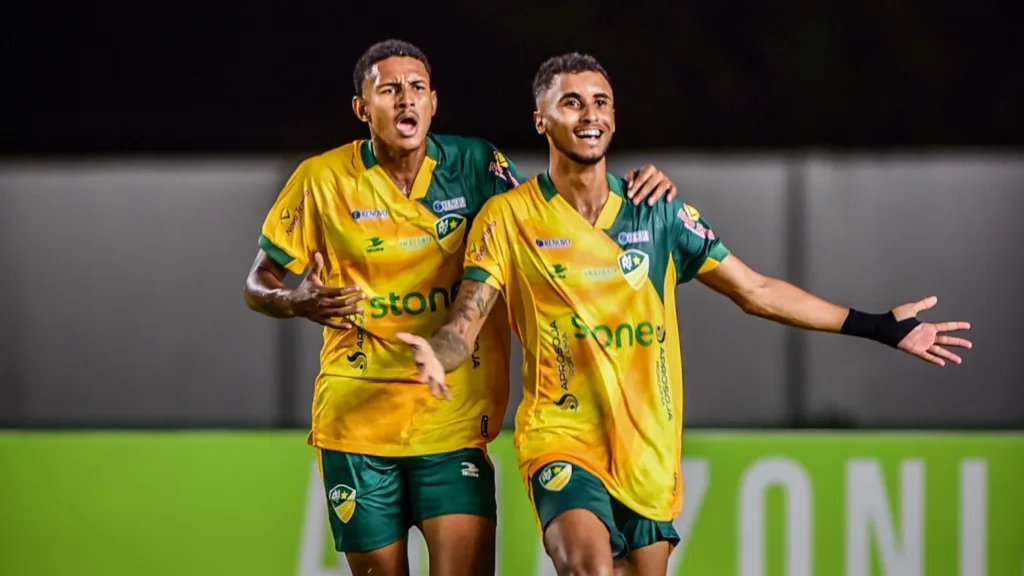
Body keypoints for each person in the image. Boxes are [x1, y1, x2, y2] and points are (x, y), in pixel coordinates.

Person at [397, 52, 974, 576]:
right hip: (561, 437)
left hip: (649, 452)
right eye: (570, 102)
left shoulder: (659, 212)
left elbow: (757, 291)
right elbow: (466, 320)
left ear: (615, 119)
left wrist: (877, 325)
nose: (589, 114)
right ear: (541, 121)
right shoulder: (510, 218)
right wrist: (439, 353)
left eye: (600, 102)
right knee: (586, 568)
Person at [243, 40, 681, 576]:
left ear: (433, 102)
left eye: (418, 89)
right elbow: (257, 280)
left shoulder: (476, 165)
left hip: (452, 419)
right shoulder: (320, 180)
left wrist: (639, 191)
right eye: (390, 90)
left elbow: (546, 215)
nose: (406, 101)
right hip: (355, 422)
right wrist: (292, 301)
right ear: (363, 109)